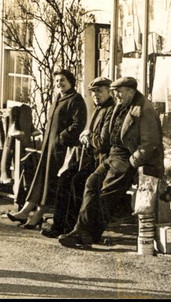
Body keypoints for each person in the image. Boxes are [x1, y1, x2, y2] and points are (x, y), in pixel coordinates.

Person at [58, 75, 162, 248]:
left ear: (131, 91)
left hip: (128, 157)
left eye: (120, 92)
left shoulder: (144, 109)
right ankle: (81, 230)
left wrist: (133, 161)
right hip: (113, 155)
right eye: (115, 93)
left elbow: (150, 143)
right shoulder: (121, 106)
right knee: (91, 183)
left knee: (106, 193)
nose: (117, 96)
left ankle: (86, 233)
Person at [4, 69, 86, 230]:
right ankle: (25, 211)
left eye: (62, 80)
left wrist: (61, 139)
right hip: (49, 147)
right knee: (41, 179)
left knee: (51, 182)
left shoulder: (76, 100)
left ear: (71, 81)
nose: (59, 84)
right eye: (56, 81)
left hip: (63, 150)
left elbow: (78, 124)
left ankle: (37, 215)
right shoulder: (58, 98)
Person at [43, 75, 115, 238]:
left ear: (109, 92)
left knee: (77, 181)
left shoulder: (111, 110)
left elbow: (104, 142)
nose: (96, 95)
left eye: (100, 91)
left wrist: (88, 137)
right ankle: (59, 226)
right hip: (93, 157)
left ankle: (71, 228)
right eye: (94, 92)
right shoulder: (99, 108)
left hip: (104, 160)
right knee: (66, 177)